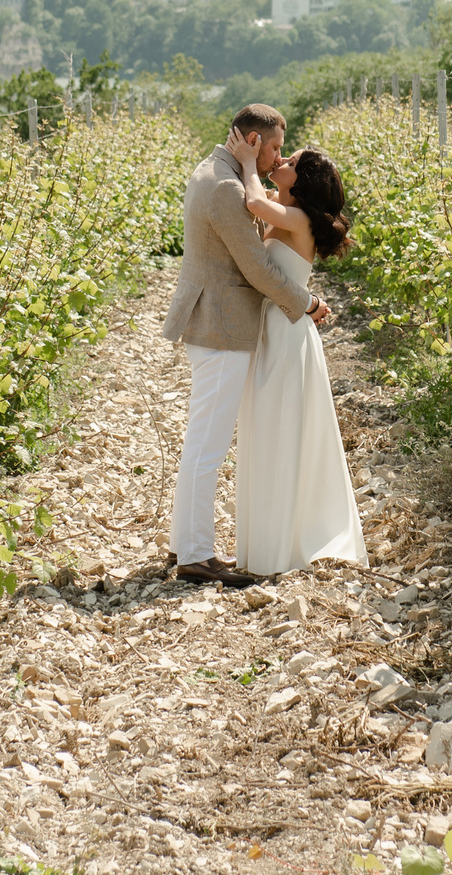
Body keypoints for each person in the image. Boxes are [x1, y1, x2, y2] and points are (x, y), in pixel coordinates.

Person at [161, 104, 333, 586]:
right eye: (275, 147)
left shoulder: (215, 170)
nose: (278, 157)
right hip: (221, 326)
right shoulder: (226, 187)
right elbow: (257, 268)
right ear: (253, 142)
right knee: (208, 445)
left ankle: (184, 543)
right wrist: (307, 302)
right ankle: (195, 554)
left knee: (203, 440)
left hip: (219, 322)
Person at [223, 134, 367, 576]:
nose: (281, 159)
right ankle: (270, 540)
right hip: (279, 326)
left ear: (301, 181)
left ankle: (282, 544)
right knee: (270, 428)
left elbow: (252, 204)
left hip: (286, 335)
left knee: (280, 429)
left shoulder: (297, 216)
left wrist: (248, 160)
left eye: (291, 158)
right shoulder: (287, 208)